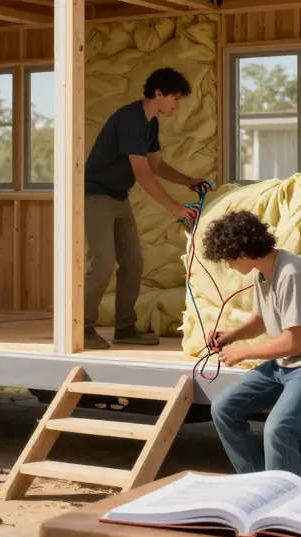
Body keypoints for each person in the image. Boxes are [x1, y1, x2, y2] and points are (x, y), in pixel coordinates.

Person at [202, 210, 301, 476]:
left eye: (228, 259)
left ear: (243, 254)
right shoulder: (263, 272)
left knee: (279, 427)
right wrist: (231, 336)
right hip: (286, 363)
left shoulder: (292, 275)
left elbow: (294, 343)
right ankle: (257, 483)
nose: (229, 266)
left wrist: (242, 351)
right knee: (224, 409)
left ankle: (283, 497)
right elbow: (262, 319)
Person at [82, 67, 212, 349]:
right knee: (102, 262)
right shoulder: (130, 119)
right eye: (175, 99)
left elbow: (155, 165)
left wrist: (190, 181)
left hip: (118, 197)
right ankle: (82, 327)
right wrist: (176, 208)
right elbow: (142, 173)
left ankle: (125, 329)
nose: (177, 106)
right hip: (94, 197)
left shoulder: (150, 123)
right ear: (159, 94)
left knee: (134, 262)